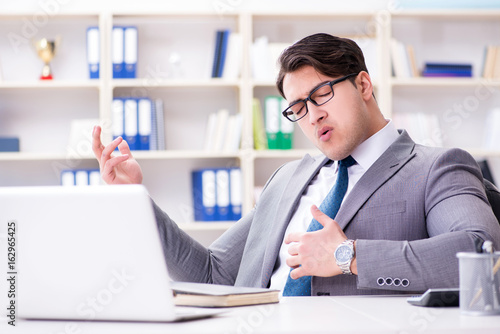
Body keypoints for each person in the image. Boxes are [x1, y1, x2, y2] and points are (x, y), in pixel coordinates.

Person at [92, 33, 500, 296]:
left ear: (363, 84)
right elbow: (212, 275)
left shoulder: (435, 167)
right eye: (298, 108)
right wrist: (133, 197)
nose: (312, 116)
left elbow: (482, 252)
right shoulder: (287, 179)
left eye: (321, 94)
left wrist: (348, 256)